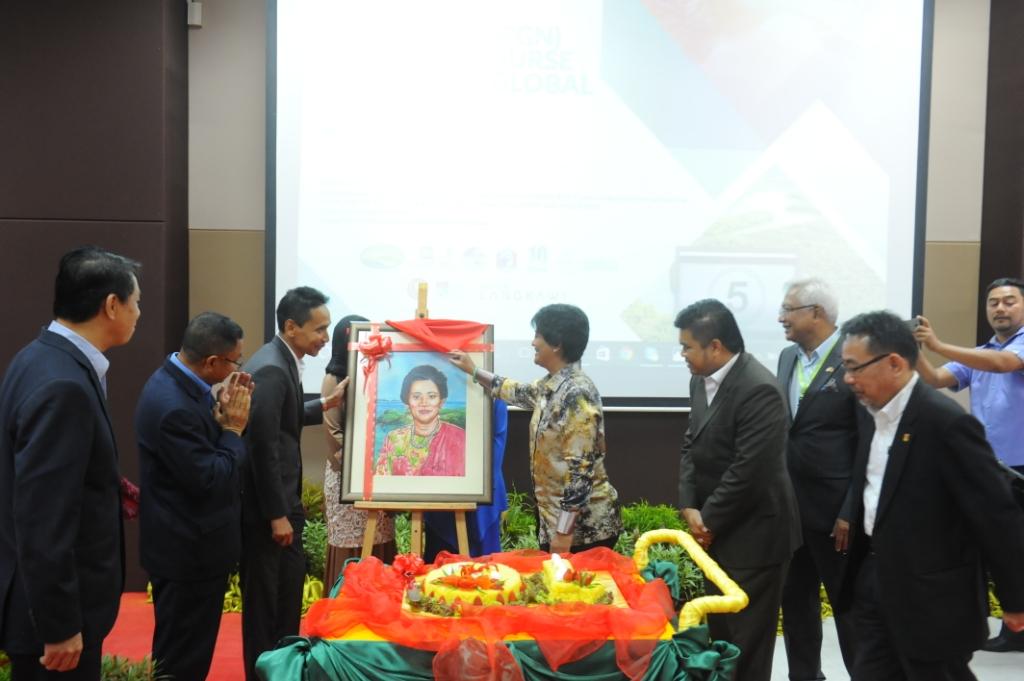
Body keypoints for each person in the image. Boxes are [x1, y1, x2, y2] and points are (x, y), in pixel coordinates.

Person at [836, 311, 1024, 680]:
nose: (848, 378)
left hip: (933, 596)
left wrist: (1015, 598)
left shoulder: (945, 423)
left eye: (855, 367)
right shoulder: (870, 412)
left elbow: (996, 515)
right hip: (876, 581)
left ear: (894, 363)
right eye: (846, 367)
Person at [0, 246, 141, 679]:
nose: (139, 313)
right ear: (111, 305)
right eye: (136, 303)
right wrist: (59, 625)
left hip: (41, 603)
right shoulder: (64, 384)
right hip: (53, 621)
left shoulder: (40, 356)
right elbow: (43, 516)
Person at [675, 298, 800, 681]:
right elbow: (691, 444)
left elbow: (750, 470)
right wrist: (689, 505)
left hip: (755, 537)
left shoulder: (759, 388)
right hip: (716, 532)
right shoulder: (699, 379)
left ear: (715, 346)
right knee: (721, 636)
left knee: (747, 644)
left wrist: (708, 520)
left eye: (687, 347)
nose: (682, 355)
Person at [134, 312, 253, 681]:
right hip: (188, 553)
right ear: (212, 361)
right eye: (234, 361)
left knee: (183, 652)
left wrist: (219, 420)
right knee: (182, 659)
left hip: (187, 545)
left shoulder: (178, 382)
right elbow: (211, 478)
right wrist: (233, 430)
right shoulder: (174, 407)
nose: (236, 369)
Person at [449, 303, 622, 555]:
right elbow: (518, 392)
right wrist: (473, 370)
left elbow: (580, 471)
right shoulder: (553, 385)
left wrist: (564, 533)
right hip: (557, 524)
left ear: (556, 344)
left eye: (538, 336)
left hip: (584, 533)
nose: (533, 343)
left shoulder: (577, 392)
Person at [913, 277, 1024, 652]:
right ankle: (1011, 630)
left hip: (1022, 468)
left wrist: (939, 344)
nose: (1000, 308)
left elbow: (1004, 364)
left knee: (1017, 549)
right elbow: (934, 379)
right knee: (991, 549)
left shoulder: (1009, 350)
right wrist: (913, 351)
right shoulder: (979, 352)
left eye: (1009, 301)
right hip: (989, 469)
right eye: (993, 302)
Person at [240, 286, 346, 680]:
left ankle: (280, 671)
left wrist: (326, 404)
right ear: (291, 327)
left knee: (284, 599)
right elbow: (262, 446)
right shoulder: (270, 368)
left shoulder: (281, 359)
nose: (325, 338)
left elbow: (283, 417)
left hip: (281, 506)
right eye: (319, 329)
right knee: (267, 606)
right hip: (271, 513)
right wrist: (277, 515)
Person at [776, 278, 858, 679]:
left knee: (850, 610)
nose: (781, 318)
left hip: (836, 515)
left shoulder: (854, 357)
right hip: (791, 510)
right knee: (796, 606)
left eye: (788, 309)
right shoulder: (786, 357)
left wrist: (851, 510)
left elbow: (868, 442)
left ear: (816, 313)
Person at [321, 315, 395, 590]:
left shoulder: (378, 376)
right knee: (351, 549)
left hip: (375, 477)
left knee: (380, 543)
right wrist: (362, 469)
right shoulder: (333, 379)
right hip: (347, 480)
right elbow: (334, 436)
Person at [423, 399, 510, 561]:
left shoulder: (494, 396)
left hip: (482, 491)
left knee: (483, 566)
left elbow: (495, 446)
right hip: (441, 492)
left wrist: (479, 484)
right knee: (440, 562)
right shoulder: (439, 396)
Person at [375, 364, 466, 477]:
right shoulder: (393, 438)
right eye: (416, 397)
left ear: (441, 402)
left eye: (431, 396)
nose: (424, 403)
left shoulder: (460, 438)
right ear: (407, 402)